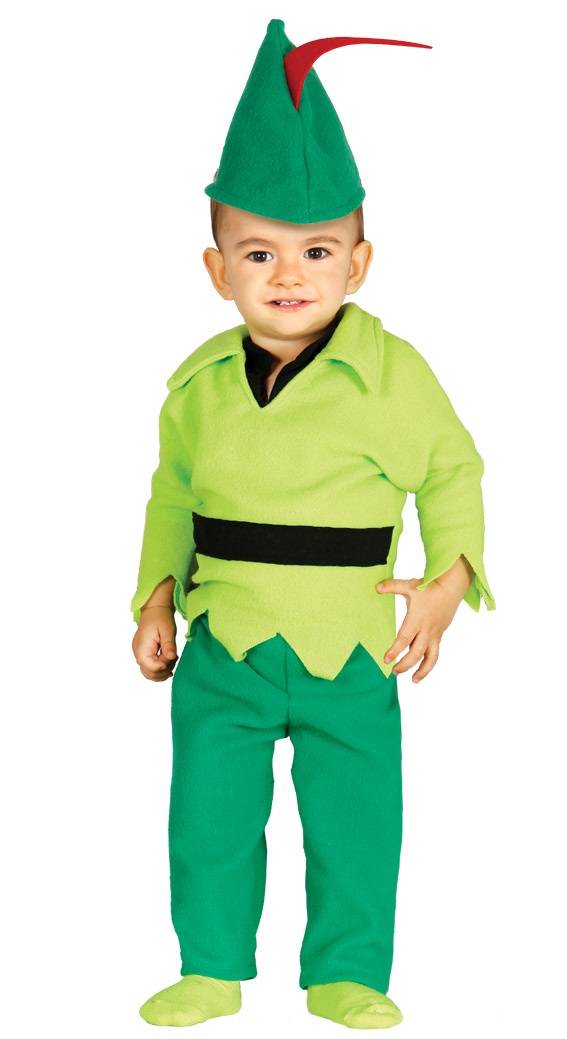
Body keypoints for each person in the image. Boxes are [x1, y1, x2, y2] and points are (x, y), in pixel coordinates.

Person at [130, 19, 495, 1030]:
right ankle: (211, 965)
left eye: (317, 250)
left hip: (353, 641)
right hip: (224, 643)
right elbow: (171, 495)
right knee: (207, 816)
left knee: (356, 819)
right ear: (218, 270)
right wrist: (155, 598)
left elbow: (452, 469)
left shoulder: (392, 374)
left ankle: (347, 972)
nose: (289, 273)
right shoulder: (198, 387)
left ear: (359, 261)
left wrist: (447, 581)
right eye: (259, 252)